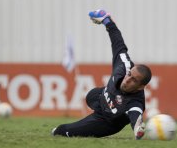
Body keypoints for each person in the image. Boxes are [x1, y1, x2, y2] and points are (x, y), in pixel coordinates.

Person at [51, 9, 152, 140]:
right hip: (100, 98)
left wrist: (138, 129)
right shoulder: (123, 65)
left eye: (134, 80)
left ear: (140, 87)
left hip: (105, 121)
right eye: (129, 75)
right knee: (90, 95)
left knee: (61, 131)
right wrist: (107, 21)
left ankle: (61, 131)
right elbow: (118, 42)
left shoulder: (135, 102)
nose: (128, 80)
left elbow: (136, 116)